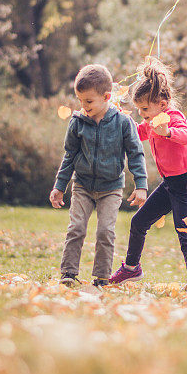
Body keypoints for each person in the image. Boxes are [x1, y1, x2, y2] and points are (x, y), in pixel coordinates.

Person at [109, 58, 187, 293]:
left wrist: (168, 132)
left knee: (185, 231)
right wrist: (120, 117)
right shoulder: (150, 121)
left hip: (185, 185)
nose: (142, 114)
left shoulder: (172, 117)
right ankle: (132, 268)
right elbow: (136, 132)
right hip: (168, 185)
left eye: (145, 109)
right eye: (139, 109)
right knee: (138, 222)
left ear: (162, 104)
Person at [49, 64, 148, 287]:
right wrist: (59, 186)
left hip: (111, 188)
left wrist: (140, 184)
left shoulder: (123, 123)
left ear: (106, 97)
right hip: (82, 185)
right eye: (80, 100)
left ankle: (102, 276)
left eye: (89, 101)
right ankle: (68, 273)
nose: (83, 106)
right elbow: (69, 156)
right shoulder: (77, 122)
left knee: (105, 232)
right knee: (76, 228)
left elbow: (135, 154)